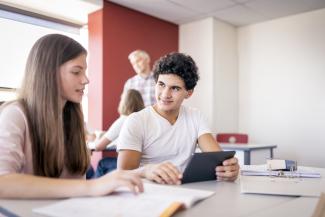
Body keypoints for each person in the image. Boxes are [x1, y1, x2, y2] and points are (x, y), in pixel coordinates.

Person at [0, 34, 143, 199]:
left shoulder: (72, 117)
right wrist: (91, 187)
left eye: (85, 71)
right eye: (76, 72)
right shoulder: (15, 114)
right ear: (48, 73)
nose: (86, 80)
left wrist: (142, 172)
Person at [117, 52, 240, 185]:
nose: (165, 94)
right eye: (161, 85)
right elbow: (122, 174)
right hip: (149, 194)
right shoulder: (136, 121)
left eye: (175, 88)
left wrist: (228, 169)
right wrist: (146, 170)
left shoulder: (195, 116)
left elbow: (217, 160)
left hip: (185, 190)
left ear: (189, 93)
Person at [93, 89, 145, 177]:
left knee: (103, 163)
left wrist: (98, 136)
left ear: (124, 103)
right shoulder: (143, 119)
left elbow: (98, 147)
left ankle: (94, 189)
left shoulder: (124, 120)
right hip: (143, 165)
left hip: (128, 168)